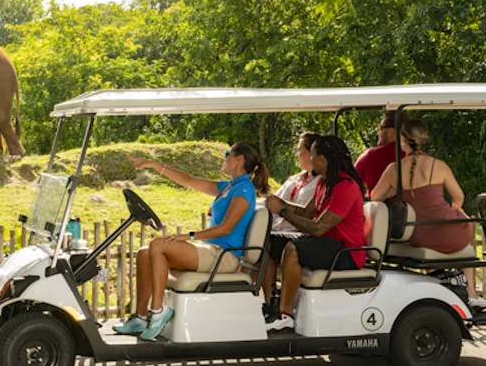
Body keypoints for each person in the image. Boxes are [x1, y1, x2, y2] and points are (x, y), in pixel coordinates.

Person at [113, 142, 270, 340]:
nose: (224, 157)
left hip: (224, 256)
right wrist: (153, 164)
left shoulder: (244, 189)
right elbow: (187, 180)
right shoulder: (229, 186)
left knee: (158, 244)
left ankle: (158, 311)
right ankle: (141, 317)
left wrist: (187, 236)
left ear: (239, 159)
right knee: (144, 253)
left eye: (227, 154)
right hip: (210, 250)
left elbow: (225, 228)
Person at [370, 119, 486, 309]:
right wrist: (456, 212)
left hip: (420, 234)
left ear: (403, 139)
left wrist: (397, 192)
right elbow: (458, 197)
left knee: (445, 233)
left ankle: (442, 286)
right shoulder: (439, 165)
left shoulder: (394, 169)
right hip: (451, 232)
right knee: (466, 223)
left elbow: (375, 197)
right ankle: (471, 293)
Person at [264, 136, 366, 332]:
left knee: (293, 249)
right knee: (269, 242)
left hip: (346, 252)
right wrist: (280, 203)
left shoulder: (345, 185)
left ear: (322, 160)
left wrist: (283, 211)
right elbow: (306, 213)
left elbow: (319, 228)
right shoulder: (324, 182)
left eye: (312, 155)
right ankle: (271, 306)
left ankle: (286, 317)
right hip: (325, 243)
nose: (309, 159)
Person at [258, 132, 321, 322]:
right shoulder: (295, 179)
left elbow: (310, 212)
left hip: (299, 234)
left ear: (311, 154)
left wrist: (282, 207)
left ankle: (275, 306)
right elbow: (270, 201)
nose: (296, 155)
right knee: (261, 241)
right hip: (280, 231)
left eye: (299, 150)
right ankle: (270, 303)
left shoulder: (320, 183)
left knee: (267, 243)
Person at [355, 110, 411, 194]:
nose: (378, 133)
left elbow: (350, 185)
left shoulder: (369, 156)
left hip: (379, 205)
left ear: (390, 131)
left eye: (381, 128)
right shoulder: (416, 156)